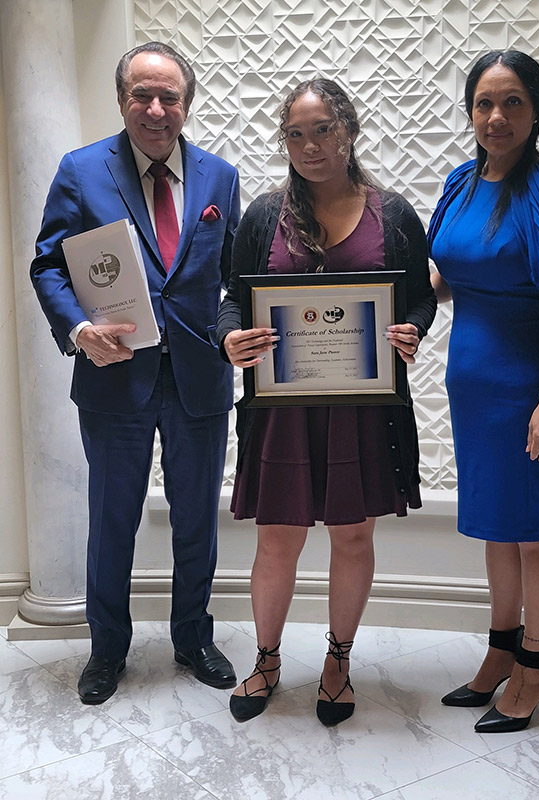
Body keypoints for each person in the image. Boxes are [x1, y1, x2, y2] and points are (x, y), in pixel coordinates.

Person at [216, 78, 436, 725]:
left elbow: (419, 295)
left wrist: (412, 328)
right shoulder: (263, 215)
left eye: (323, 129)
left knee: (353, 535)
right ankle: (267, 660)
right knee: (276, 540)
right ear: (284, 140)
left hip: (362, 411)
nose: (309, 145)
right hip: (281, 412)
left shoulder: (392, 214)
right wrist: (230, 335)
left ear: (349, 129)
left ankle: (337, 660)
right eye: (296, 133)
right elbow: (232, 297)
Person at [31, 42, 240, 704]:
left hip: (200, 380)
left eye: (168, 96)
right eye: (141, 95)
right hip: (114, 375)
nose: (155, 109)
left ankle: (193, 637)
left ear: (187, 102)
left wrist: (233, 331)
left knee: (196, 522)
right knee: (112, 517)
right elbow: (48, 264)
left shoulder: (221, 178)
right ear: (122, 99)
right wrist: (77, 329)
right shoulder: (81, 170)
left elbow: (233, 278)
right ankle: (107, 650)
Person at [428, 50, 539, 733]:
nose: (496, 117)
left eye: (513, 103)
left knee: (536, 532)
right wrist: (395, 310)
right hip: (471, 388)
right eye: (483, 103)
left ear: (536, 110)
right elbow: (449, 279)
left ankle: (537, 664)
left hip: (532, 390)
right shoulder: (461, 182)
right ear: (470, 111)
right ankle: (501, 650)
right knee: (498, 528)